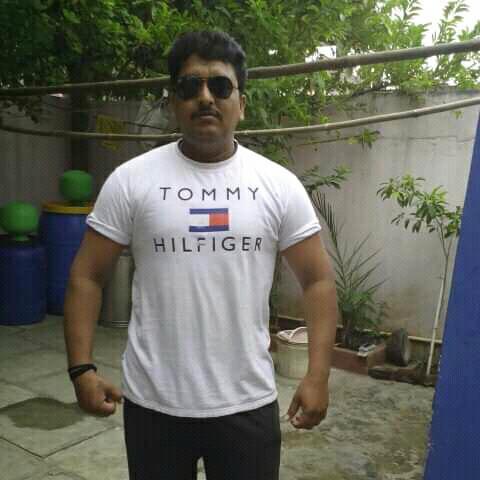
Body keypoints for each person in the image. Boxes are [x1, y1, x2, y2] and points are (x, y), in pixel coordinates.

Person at [64, 30, 338, 480]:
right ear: (174, 102)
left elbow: (318, 281)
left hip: (247, 402)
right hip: (154, 404)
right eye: (191, 86)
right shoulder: (131, 181)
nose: (206, 97)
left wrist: (318, 375)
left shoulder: (278, 185)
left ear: (241, 103)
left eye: (220, 86)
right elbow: (87, 275)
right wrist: (81, 369)